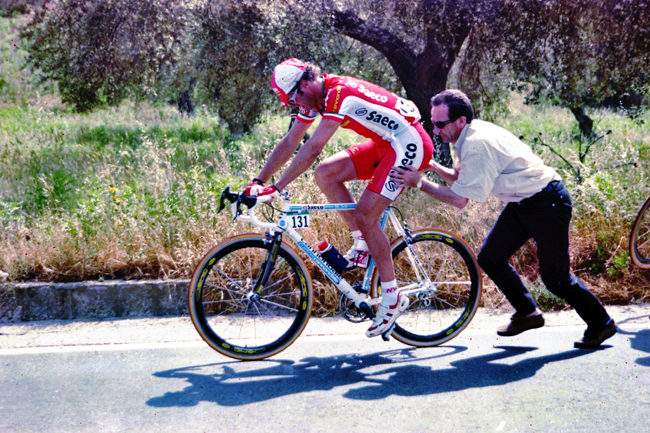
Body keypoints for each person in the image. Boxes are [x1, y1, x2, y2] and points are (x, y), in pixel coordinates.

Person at [390, 89, 616, 348]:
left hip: (548, 203)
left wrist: (419, 182)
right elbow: (462, 181)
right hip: (523, 202)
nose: (435, 129)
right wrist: (431, 166)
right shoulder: (465, 138)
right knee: (490, 257)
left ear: (460, 121)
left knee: (556, 278)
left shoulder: (477, 144)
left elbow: (459, 200)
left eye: (440, 124)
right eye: (432, 122)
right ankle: (527, 312)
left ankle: (601, 323)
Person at [245, 58, 434, 338]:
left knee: (365, 215)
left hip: (409, 143)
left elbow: (312, 147)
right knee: (325, 174)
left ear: (306, 84)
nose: (295, 105)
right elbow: (290, 142)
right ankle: (362, 241)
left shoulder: (337, 94)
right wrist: (258, 181)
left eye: (294, 98)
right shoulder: (314, 99)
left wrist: (278, 186)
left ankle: (392, 297)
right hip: (386, 143)